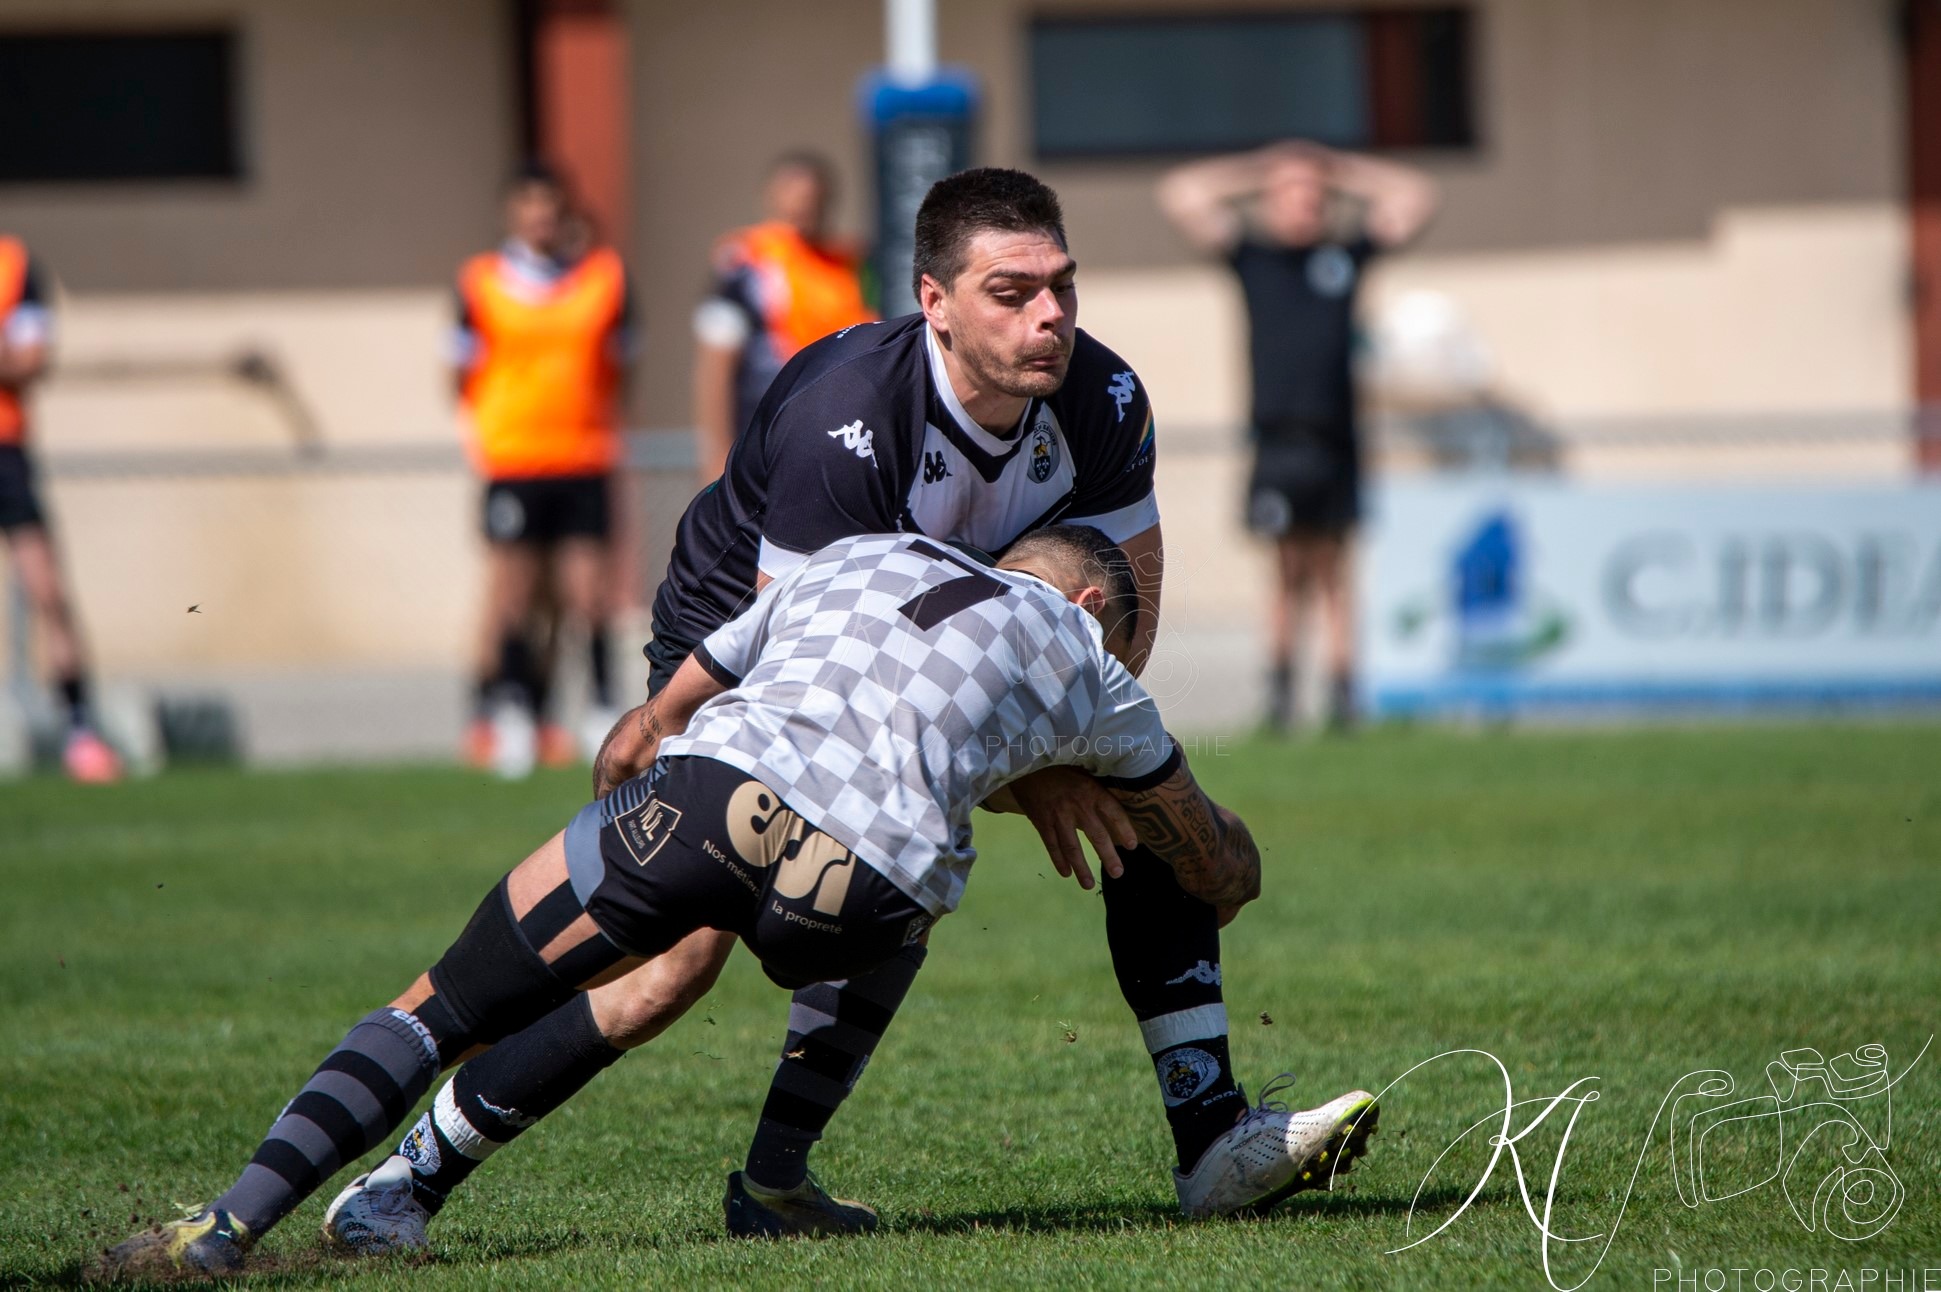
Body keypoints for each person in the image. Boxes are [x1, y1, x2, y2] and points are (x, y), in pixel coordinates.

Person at [322, 167, 1334, 1251]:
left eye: (1063, 285)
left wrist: (1076, 752)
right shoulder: (848, 412)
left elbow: (1125, 610)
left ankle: (1210, 1134)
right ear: (933, 301)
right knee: (676, 964)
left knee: (1139, 813)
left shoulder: (1103, 396)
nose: (1051, 314)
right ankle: (404, 1178)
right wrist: (1031, 766)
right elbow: (816, 680)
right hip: (751, 646)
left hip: (950, 648)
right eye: (1012, 289)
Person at [103, 527, 1379, 1277]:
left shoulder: (864, 547)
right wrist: (1199, 843)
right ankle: (774, 1176)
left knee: (442, 1002)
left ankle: (229, 1225)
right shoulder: (1093, 663)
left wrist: (635, 740)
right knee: (913, 881)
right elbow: (1211, 857)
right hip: (859, 881)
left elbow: (701, 678)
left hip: (707, 801)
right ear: (1093, 605)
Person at [1158, 141, 1438, 731]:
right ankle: (1282, 696)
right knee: (1286, 572)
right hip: (1277, 440)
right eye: (1291, 194)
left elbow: (1417, 196)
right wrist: (1262, 168)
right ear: (1270, 201)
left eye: (1314, 195)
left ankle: (1344, 698)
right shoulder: (1252, 257)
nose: (1303, 204)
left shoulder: (1346, 255)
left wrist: (1337, 168)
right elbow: (1180, 193)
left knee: (1336, 572)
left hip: (1336, 440)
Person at [455, 165, 637, 777]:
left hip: (583, 455)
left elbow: (621, 366)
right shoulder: (480, 282)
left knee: (589, 596)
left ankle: (602, 711)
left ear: (566, 214)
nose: (540, 218)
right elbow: (458, 369)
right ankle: (511, 716)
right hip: (512, 459)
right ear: (513, 213)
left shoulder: (604, 280)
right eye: (529, 206)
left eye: (550, 207)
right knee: (514, 595)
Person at [0, 235, 120, 783]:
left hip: (6, 449)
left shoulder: (16, 265)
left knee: (49, 592)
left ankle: (81, 731)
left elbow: (30, 359)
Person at [691, 152, 875, 484]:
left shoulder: (852, 266)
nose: (802, 211)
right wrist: (716, 454)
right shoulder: (748, 265)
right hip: (767, 434)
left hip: (841, 432)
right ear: (771, 199)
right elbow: (715, 365)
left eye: (811, 201)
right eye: (792, 200)